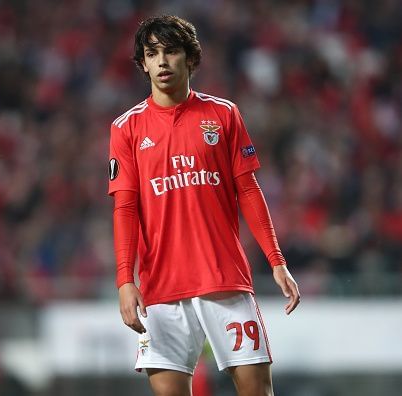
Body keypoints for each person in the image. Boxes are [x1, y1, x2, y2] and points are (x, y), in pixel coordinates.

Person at [108, 15, 300, 396]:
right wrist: (125, 280)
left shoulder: (223, 114)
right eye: (152, 54)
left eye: (171, 52)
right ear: (143, 63)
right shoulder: (126, 128)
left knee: (256, 391)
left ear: (190, 59)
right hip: (161, 290)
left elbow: (248, 188)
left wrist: (276, 261)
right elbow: (125, 208)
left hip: (224, 279)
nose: (162, 61)